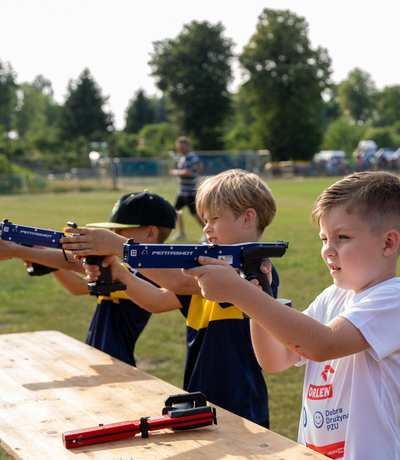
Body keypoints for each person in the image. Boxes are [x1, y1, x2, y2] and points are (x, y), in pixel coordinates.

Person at [184, 171, 400, 460]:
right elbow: (276, 359)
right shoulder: (333, 297)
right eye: (324, 237)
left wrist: (239, 292)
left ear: (388, 243)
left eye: (343, 237)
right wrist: (257, 297)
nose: (328, 249)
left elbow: (321, 344)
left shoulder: (395, 300)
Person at [62, 169, 278, 428]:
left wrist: (119, 246)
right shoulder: (211, 267)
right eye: (204, 219)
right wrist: (119, 272)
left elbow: (178, 281)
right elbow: (157, 300)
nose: (206, 228)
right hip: (201, 395)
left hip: (240, 401)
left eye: (214, 218)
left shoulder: (251, 269)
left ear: (247, 218)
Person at [0, 191, 176, 366]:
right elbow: (78, 286)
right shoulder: (130, 269)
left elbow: (74, 264)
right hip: (101, 355)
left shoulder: (147, 274)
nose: (114, 236)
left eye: (120, 231)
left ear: (151, 232)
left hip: (118, 362)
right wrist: (39, 256)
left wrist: (20, 250)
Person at [170, 136, 204, 241]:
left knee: (194, 213)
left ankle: (208, 232)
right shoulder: (187, 156)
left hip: (189, 191)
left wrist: (175, 172)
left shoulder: (189, 157)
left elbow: (188, 172)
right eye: (178, 147)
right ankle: (182, 233)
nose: (179, 149)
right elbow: (200, 165)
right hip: (183, 191)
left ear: (187, 147)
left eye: (181, 147)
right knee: (176, 210)